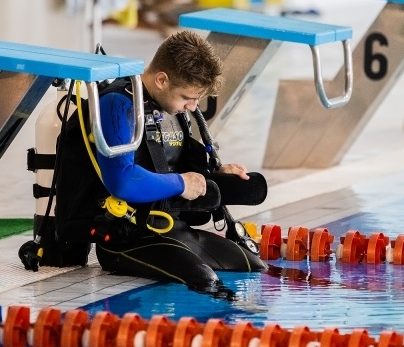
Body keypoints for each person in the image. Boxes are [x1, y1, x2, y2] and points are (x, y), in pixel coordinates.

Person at [52, 31, 267, 299]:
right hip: (126, 237)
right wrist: (182, 183)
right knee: (204, 281)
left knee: (254, 266)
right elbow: (122, 180)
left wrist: (212, 175)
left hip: (173, 227)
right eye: (187, 97)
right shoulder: (118, 104)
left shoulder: (170, 107)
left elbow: (169, 164)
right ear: (162, 80)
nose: (192, 107)